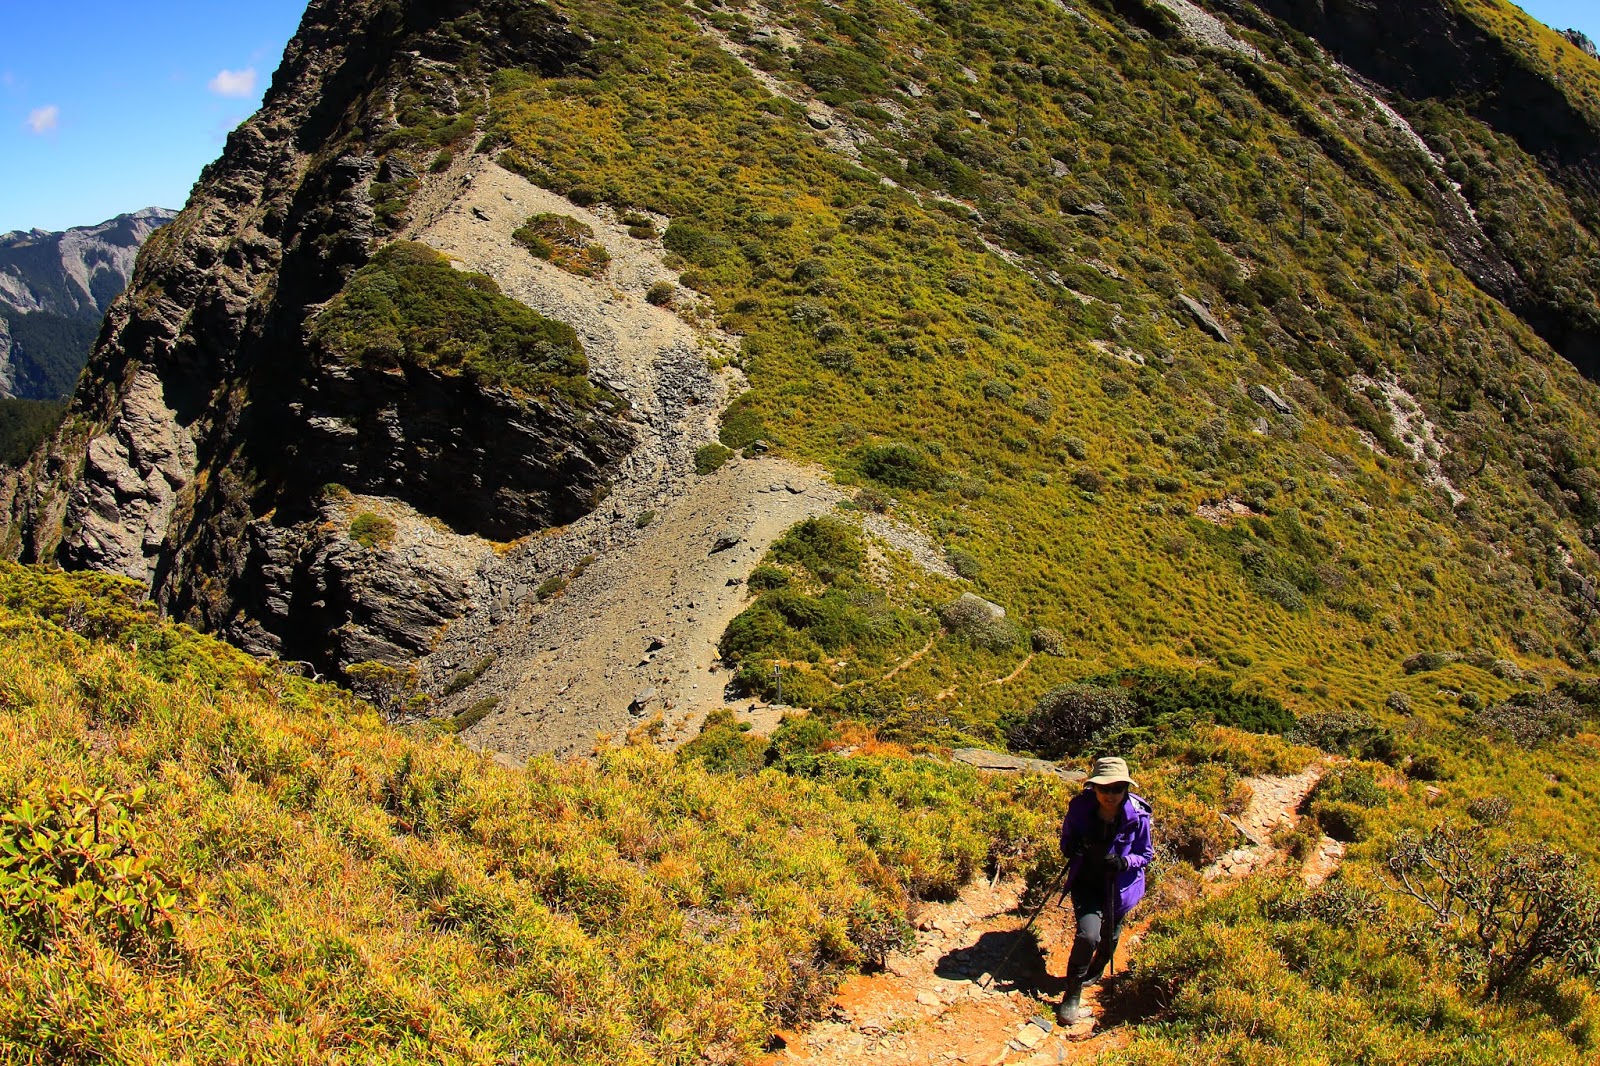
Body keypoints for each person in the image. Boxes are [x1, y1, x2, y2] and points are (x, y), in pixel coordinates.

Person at [1055, 756, 1153, 1025]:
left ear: (1126, 789)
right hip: (1087, 883)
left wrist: (1124, 862)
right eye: (1104, 789)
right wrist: (1072, 848)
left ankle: (1095, 971)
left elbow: (1145, 853)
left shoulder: (1139, 815)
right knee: (1088, 936)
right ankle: (1072, 993)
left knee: (1110, 936)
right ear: (1094, 788)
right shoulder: (1079, 808)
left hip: (1119, 889)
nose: (1110, 795)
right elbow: (1066, 842)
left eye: (1117, 789)